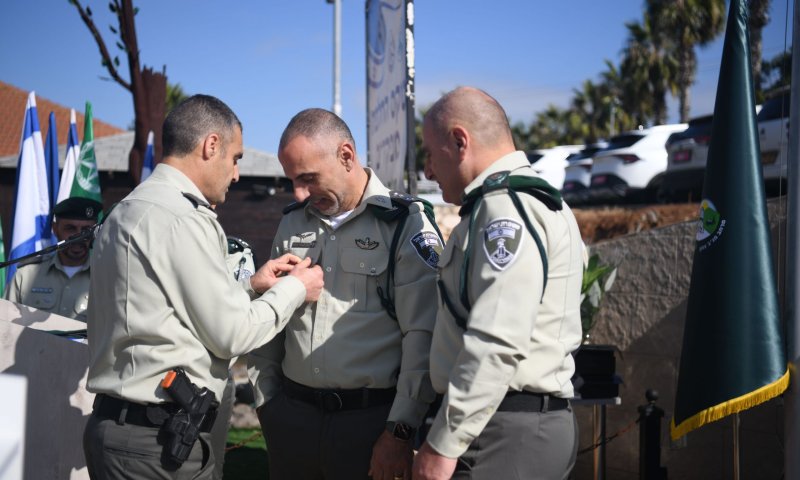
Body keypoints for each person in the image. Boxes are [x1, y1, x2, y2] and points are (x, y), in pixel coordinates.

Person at [83, 94, 324, 479]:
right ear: (211, 145)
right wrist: (295, 288)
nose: (236, 174)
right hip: (154, 441)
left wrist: (251, 287)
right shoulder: (181, 217)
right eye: (236, 158)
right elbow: (231, 335)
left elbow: (168, 309)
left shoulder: (129, 208)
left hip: (132, 430)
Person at [248, 108, 442, 480]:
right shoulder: (292, 221)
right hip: (292, 418)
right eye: (292, 180)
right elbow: (271, 321)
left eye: (308, 178)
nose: (299, 192)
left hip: (369, 426)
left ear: (346, 156)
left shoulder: (404, 223)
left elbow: (423, 337)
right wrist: (267, 404)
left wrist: (400, 431)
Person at [412, 86, 583, 480]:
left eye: (430, 153)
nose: (428, 171)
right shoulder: (530, 202)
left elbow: (497, 339)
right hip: (508, 424)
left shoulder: (505, 209)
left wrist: (443, 444)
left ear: (459, 142)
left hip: (503, 432)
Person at [4, 196, 102, 321]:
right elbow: (4, 324)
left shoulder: (106, 277)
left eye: (86, 230)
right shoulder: (27, 274)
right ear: (55, 229)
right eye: (70, 228)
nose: (79, 236)